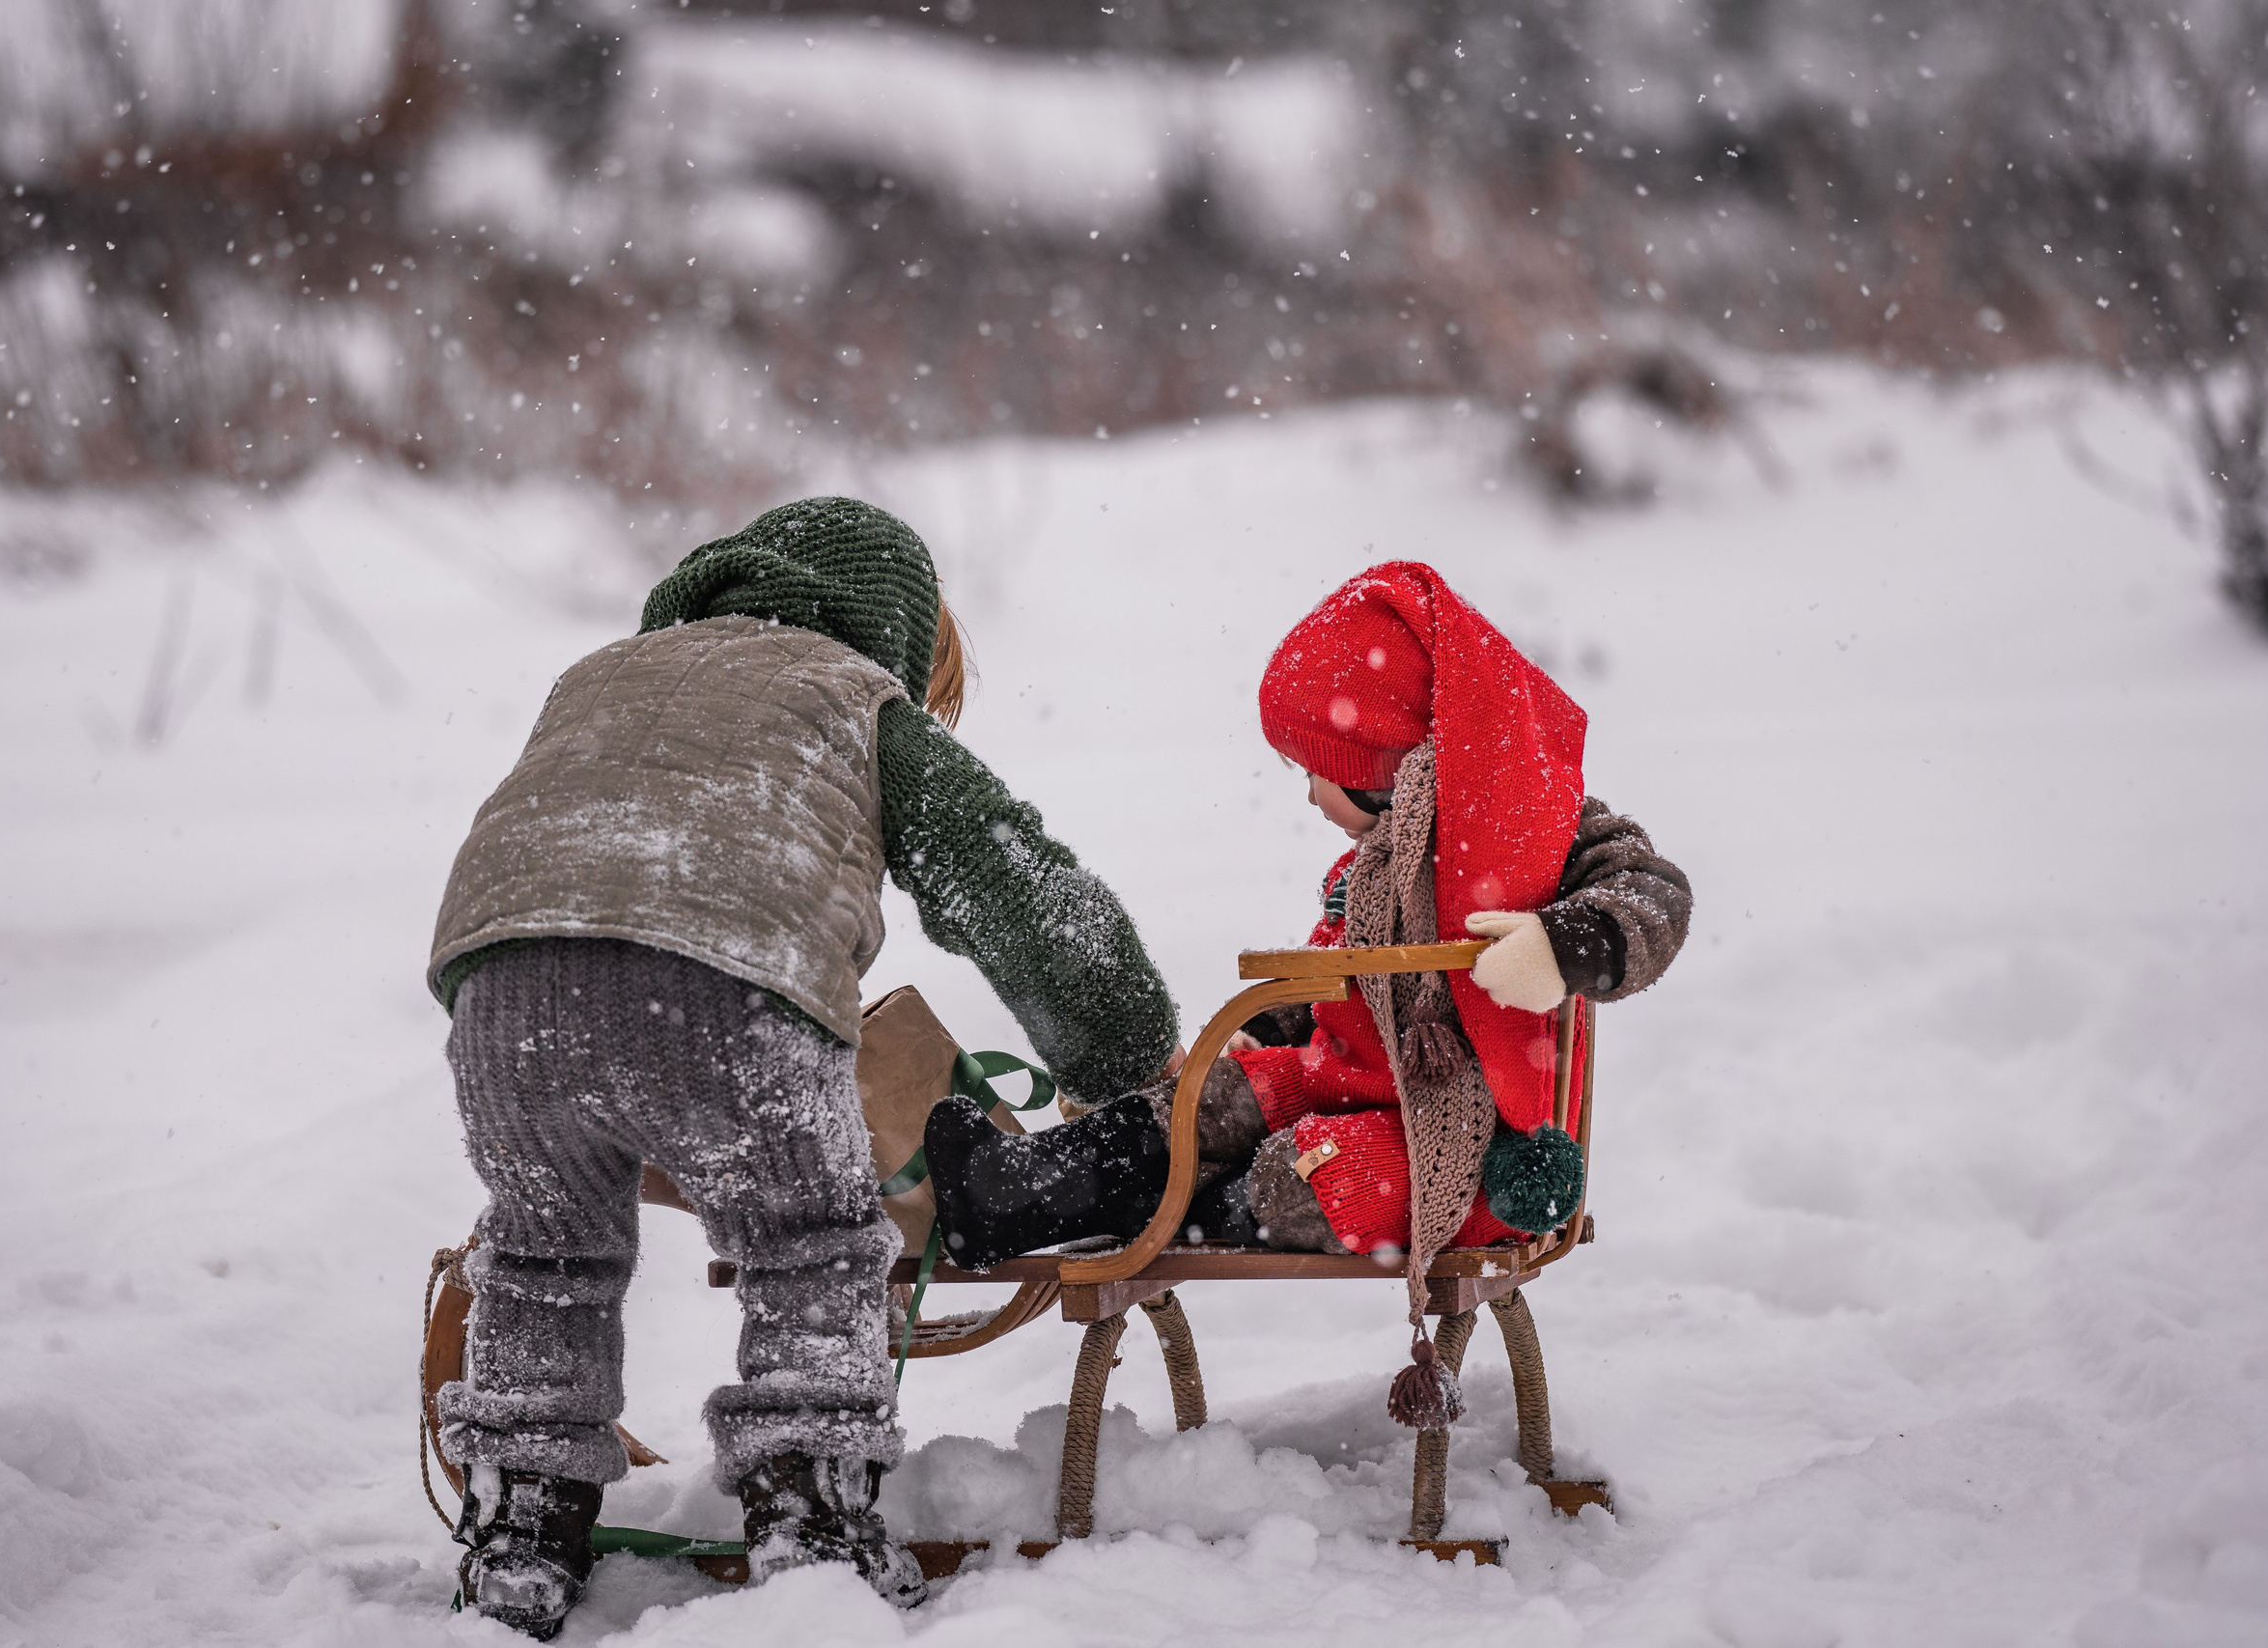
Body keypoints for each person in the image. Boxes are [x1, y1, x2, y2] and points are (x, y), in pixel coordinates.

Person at [424, 498, 1178, 1635]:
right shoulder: (857, 698)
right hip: (725, 980)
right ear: (892, 630)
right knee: (811, 1243)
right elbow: (1016, 890)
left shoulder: (601, 676)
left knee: (545, 1251)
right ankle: (810, 1518)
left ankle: (522, 1533)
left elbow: (561, 838)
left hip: (501, 991)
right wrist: (1123, 1050)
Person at [927, 562, 1690, 1335]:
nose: (1309, 793)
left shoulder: (1538, 821)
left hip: (1454, 1132)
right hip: (1342, 1072)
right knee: (1210, 1098)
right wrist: (1278, 1024)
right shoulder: (1374, 867)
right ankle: (1012, 1189)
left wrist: (1562, 947)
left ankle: (1177, 1206)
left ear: (1379, 764)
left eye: (1317, 771)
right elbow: (1338, 973)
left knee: (1308, 1173)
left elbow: (1652, 891)